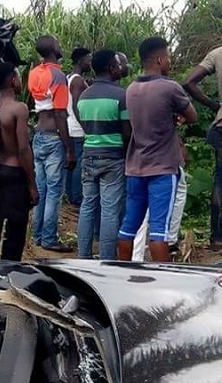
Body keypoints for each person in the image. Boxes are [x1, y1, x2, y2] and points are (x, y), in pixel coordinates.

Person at [118, 37, 198, 262]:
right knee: (159, 232)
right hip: (162, 168)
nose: (170, 62)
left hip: (135, 166)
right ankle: (163, 281)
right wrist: (176, 117)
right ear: (161, 59)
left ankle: (121, 273)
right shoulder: (169, 87)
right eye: (169, 57)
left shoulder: (131, 89)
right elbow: (192, 116)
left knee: (128, 227)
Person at [0, 62, 38, 262]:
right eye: (19, 76)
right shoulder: (19, 109)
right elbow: (23, 149)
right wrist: (31, 184)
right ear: (13, 80)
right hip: (15, 174)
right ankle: (9, 268)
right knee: (15, 227)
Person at [76, 50, 130, 260]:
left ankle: (84, 256)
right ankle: (107, 259)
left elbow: (85, 126)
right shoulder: (121, 95)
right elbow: (127, 133)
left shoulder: (84, 96)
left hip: (89, 155)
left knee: (88, 205)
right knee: (109, 209)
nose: (120, 68)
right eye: (117, 64)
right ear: (111, 68)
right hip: (113, 157)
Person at [28, 35, 75, 253]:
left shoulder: (34, 73)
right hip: (54, 137)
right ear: (53, 49)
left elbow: (43, 105)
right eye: (58, 42)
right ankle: (48, 239)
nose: (60, 44)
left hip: (38, 135)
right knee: (54, 192)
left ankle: (37, 236)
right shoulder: (57, 75)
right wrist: (69, 148)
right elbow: (59, 113)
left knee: (41, 189)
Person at [183, 46, 222, 251]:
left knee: (220, 182)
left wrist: (215, 106)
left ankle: (217, 238)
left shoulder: (217, 53)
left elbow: (189, 82)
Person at [132, 137, 188, 260]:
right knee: (151, 216)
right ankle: (169, 242)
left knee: (140, 210)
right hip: (161, 160)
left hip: (139, 158)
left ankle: (137, 255)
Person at [65, 47, 92, 208]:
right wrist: (86, 126)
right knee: (78, 164)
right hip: (76, 129)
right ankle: (75, 198)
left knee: (71, 163)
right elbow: (76, 105)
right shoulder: (77, 81)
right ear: (81, 61)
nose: (90, 63)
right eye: (88, 60)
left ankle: (70, 194)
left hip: (69, 126)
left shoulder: (69, 77)